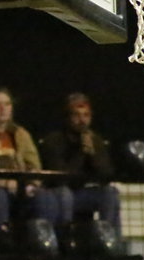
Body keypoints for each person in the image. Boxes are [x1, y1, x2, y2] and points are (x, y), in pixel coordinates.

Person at [0, 86, 59, 237]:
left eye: (7, 104)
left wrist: (31, 184)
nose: (3, 109)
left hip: (21, 188)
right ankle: (2, 239)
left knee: (46, 196)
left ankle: (45, 241)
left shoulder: (21, 134)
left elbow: (35, 166)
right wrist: (6, 183)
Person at [40, 92, 122, 234]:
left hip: (82, 194)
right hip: (57, 194)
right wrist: (81, 152)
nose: (82, 120)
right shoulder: (53, 140)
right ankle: (65, 238)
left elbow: (107, 175)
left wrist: (93, 154)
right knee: (65, 194)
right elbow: (61, 179)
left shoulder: (95, 140)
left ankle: (109, 238)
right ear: (68, 117)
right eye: (76, 115)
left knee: (110, 193)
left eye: (86, 115)